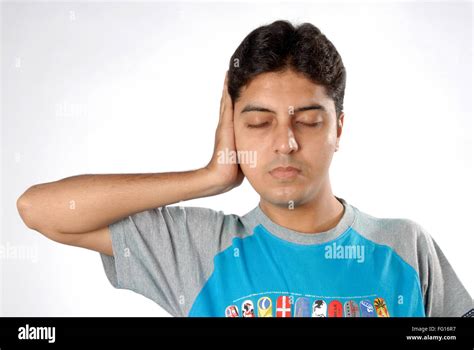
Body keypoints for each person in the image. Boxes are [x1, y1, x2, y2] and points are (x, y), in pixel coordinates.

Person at [17, 20, 472, 317]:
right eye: (258, 122)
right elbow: (39, 208)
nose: (285, 143)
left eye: (309, 121)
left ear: (339, 128)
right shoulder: (196, 248)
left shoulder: (405, 248)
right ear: (230, 130)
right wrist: (210, 176)